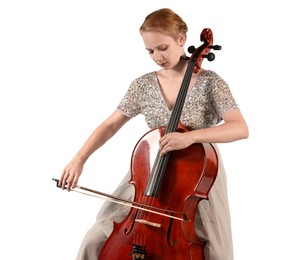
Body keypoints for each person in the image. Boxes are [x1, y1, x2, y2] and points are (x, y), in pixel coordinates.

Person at [59, 7, 248, 260]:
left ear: (181, 39)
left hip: (197, 177)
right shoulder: (143, 84)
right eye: (150, 51)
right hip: (147, 175)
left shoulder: (210, 82)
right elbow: (110, 125)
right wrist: (79, 158)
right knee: (96, 239)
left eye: (162, 48)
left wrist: (190, 137)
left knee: (207, 250)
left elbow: (239, 127)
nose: (156, 56)